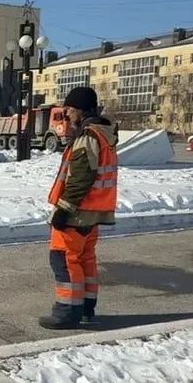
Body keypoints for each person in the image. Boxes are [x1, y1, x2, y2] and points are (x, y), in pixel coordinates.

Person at [39, 86, 119, 329]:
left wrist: (63, 209)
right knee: (85, 260)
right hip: (95, 211)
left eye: (69, 110)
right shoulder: (104, 135)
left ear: (79, 110)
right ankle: (85, 309)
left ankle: (67, 312)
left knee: (63, 259)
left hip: (78, 212)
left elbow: (80, 178)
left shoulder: (88, 137)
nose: (67, 116)